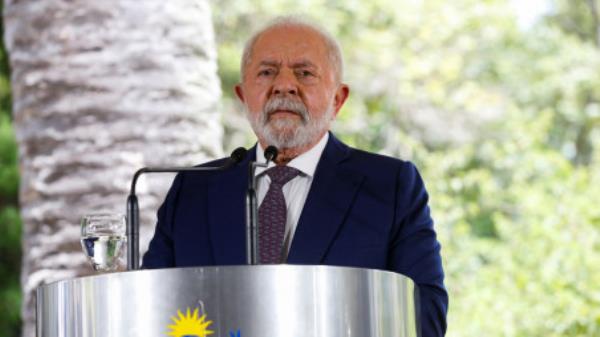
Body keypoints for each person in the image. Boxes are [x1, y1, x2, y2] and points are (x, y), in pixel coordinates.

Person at [143, 16, 448, 336]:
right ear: (243, 96)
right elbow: (151, 309)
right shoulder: (193, 190)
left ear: (338, 99)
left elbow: (425, 316)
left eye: (304, 73)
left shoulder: (391, 187)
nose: (284, 85)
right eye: (267, 71)